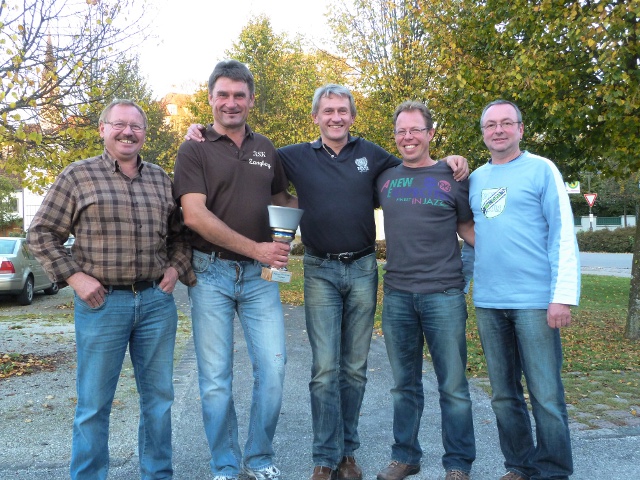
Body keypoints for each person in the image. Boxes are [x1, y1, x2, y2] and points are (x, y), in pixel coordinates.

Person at [186, 84, 470, 480]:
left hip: (363, 268)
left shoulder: (374, 155)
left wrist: (452, 160)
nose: (335, 117)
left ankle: (347, 455)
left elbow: (417, 162)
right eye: (328, 110)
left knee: (354, 369)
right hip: (319, 270)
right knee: (323, 370)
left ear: (352, 116)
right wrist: (201, 131)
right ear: (315, 117)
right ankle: (324, 457)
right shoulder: (291, 156)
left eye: (342, 111)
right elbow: (246, 157)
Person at [27, 99, 195, 480]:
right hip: (102, 305)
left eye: (136, 126)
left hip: (155, 303)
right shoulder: (78, 176)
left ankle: (157, 474)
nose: (127, 132)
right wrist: (75, 278)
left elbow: (181, 236)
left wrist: (175, 269)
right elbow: (41, 233)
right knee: (94, 404)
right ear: (103, 129)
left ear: (145, 134)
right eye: (119, 124)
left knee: (158, 402)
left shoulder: (160, 179)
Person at [173, 60, 297, 480]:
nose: (231, 102)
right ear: (210, 98)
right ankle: (225, 465)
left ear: (251, 100)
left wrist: (287, 235)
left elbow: (283, 200)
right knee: (215, 379)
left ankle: (258, 458)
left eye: (239, 95)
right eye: (223, 94)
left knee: (274, 369)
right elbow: (194, 215)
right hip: (211, 273)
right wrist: (258, 249)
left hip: (261, 279)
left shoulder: (266, 148)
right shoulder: (193, 149)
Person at [469, 100, 580, 480]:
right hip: (489, 302)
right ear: (483, 133)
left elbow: (562, 233)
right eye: (490, 125)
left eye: (506, 123)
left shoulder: (542, 169)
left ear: (520, 128)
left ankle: (553, 471)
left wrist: (561, 297)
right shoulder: (476, 179)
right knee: (503, 395)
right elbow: (472, 232)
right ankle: (519, 466)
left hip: (534, 302)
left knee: (545, 395)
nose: (498, 130)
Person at [375, 101, 476, 480]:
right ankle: (405, 457)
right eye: (401, 131)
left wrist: (511, 256)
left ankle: (458, 464)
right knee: (404, 386)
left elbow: (468, 229)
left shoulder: (454, 177)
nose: (408, 137)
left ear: (431, 133)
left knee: (453, 386)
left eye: (416, 130)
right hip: (397, 295)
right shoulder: (384, 178)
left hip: (443, 295)